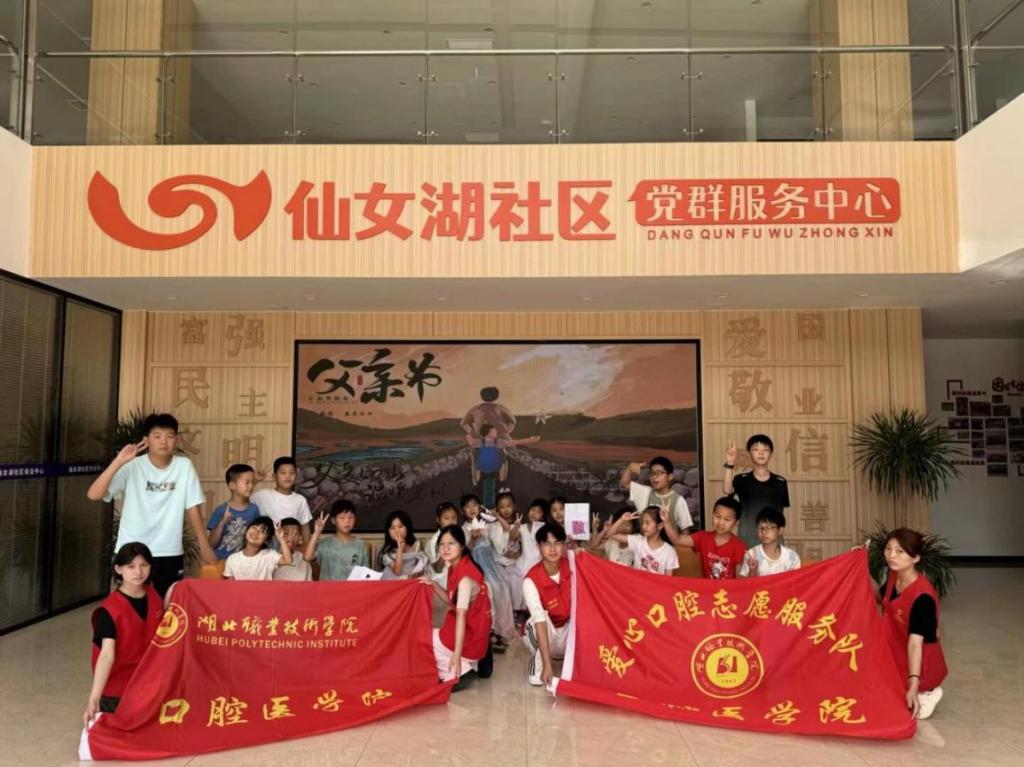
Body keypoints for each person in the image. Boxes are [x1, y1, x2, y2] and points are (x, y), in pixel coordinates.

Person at [86, 413, 216, 596]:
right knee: (132, 602)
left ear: (176, 440)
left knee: (169, 602)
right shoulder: (132, 465)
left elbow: (193, 507)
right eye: (157, 436)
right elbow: (94, 494)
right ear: (146, 440)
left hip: (169, 549)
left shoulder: (183, 466)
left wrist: (204, 545)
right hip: (133, 549)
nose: (164, 441)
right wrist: (119, 461)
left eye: (169, 436)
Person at [84, 543, 165, 725]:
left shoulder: (154, 596)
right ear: (118, 569)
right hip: (119, 691)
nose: (138, 572)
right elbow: (107, 655)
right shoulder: (108, 611)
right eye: (131, 566)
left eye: (144, 565)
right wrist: (94, 698)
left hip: (150, 684)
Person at [880, 528, 948, 720]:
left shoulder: (922, 597)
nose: (892, 555)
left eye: (900, 551)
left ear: (916, 558)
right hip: (895, 651)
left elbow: (915, 643)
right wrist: (858, 569)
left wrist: (913, 684)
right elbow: (879, 597)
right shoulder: (894, 577)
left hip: (919, 664)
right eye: (888, 548)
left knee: (898, 708)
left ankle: (926, 691)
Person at [422, 525, 493, 687]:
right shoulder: (457, 566)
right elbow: (451, 600)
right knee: (431, 634)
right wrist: (433, 584)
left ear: (461, 546)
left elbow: (461, 616)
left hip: (472, 635)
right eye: (442, 544)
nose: (445, 548)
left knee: (426, 639)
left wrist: (457, 653)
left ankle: (459, 672)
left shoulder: (465, 577)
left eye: (451, 543)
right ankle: (466, 665)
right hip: (473, 629)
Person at [523, 523, 573, 687]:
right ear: (539, 547)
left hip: (568, 632)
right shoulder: (531, 579)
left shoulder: (573, 566)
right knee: (535, 621)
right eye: (547, 544)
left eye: (557, 543)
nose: (552, 549)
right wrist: (547, 665)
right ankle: (538, 665)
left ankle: (579, 663)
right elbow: (539, 621)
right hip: (547, 631)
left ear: (564, 545)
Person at [723, 434, 790, 548]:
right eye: (756, 450)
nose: (761, 453)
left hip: (773, 541)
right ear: (749, 453)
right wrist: (730, 463)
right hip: (747, 540)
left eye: (765, 450)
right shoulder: (741, 479)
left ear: (771, 454)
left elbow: (783, 513)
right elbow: (727, 490)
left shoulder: (780, 482)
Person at [461, 493, 507, 652]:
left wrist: (495, 517)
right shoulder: (463, 529)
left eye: (475, 505)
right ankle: (489, 632)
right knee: (487, 592)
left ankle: (498, 629)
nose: (472, 508)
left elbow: (503, 536)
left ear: (480, 507)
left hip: (491, 565)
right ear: (463, 510)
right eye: (467, 506)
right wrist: (473, 539)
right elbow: (464, 554)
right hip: (474, 567)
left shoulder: (487, 525)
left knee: (501, 588)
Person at [662, 497, 747, 579]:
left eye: (727, 519)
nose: (721, 523)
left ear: (736, 522)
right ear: (712, 515)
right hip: (707, 587)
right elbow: (677, 540)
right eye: (717, 517)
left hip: (728, 589)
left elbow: (739, 581)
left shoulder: (739, 546)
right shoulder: (703, 537)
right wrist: (666, 521)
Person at [465, 425, 540, 508]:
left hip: (495, 474)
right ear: (488, 433)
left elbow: (513, 442)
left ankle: (492, 508)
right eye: (494, 431)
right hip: (483, 475)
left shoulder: (498, 443)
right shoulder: (480, 442)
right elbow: (470, 442)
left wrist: (529, 440)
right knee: (483, 494)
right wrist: (469, 435)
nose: (496, 432)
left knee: (494, 494)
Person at [487, 491, 526, 646]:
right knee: (501, 587)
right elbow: (501, 549)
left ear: (514, 506)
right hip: (497, 564)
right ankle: (500, 624)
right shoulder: (492, 526)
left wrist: (516, 550)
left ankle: (517, 614)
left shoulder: (519, 524)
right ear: (497, 509)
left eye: (509, 505)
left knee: (519, 581)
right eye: (502, 507)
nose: (506, 509)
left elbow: (518, 549)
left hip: (512, 564)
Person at [620, 456, 694, 534]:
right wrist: (629, 468)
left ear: (670, 476)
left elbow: (685, 531)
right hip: (645, 541)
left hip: (669, 541)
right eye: (652, 473)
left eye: (660, 473)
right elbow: (625, 483)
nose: (655, 477)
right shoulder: (645, 492)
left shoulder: (678, 500)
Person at [251, 456, 314, 540]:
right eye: (283, 473)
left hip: (289, 545)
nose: (288, 476)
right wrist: (255, 481)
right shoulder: (262, 495)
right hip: (265, 545)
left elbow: (305, 526)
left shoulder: (300, 500)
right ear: (274, 476)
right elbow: (242, 501)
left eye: (292, 473)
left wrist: (307, 546)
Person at [206, 463, 261, 561]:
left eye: (252, 482)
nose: (251, 486)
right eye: (247, 482)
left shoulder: (254, 509)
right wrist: (222, 522)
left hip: (244, 562)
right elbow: (211, 543)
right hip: (222, 562)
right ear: (232, 485)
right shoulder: (221, 510)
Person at [304, 500, 369, 581]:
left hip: (352, 588)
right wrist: (316, 533)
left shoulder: (360, 545)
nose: (347, 521)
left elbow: (366, 574)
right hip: (329, 588)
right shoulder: (324, 544)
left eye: (351, 517)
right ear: (333, 520)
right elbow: (307, 557)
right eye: (342, 518)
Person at [605, 506, 679, 575]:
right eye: (642, 523)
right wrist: (622, 520)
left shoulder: (669, 552)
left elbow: (668, 580)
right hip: (635, 583)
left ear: (660, 525)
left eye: (647, 523)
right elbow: (610, 534)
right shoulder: (638, 541)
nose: (643, 526)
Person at [223, 517, 293, 580]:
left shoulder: (269, 555)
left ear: (266, 540)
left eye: (262, 531)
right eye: (254, 527)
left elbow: (288, 561)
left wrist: (281, 539)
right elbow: (230, 586)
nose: (256, 532)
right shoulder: (232, 559)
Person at [739, 507, 801, 577]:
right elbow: (747, 582)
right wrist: (753, 570)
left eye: (769, 528)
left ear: (780, 530)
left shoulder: (792, 556)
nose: (764, 532)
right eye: (761, 528)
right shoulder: (751, 554)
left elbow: (796, 581)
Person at [377, 510, 427, 580]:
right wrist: (400, 549)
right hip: (392, 581)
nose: (397, 531)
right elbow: (397, 571)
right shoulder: (387, 552)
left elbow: (420, 566)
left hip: (411, 580)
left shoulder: (415, 545)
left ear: (407, 528)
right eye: (392, 528)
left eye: (400, 526)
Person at [426, 502, 461, 586]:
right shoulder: (434, 541)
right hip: (442, 580)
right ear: (438, 520)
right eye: (446, 518)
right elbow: (437, 569)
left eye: (454, 518)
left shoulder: (459, 536)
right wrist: (444, 551)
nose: (451, 521)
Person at [519, 498, 552, 573]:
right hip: (523, 564)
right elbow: (512, 538)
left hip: (539, 564)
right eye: (533, 509)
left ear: (543, 516)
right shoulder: (522, 527)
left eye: (538, 512)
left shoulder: (545, 529)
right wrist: (516, 527)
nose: (534, 513)